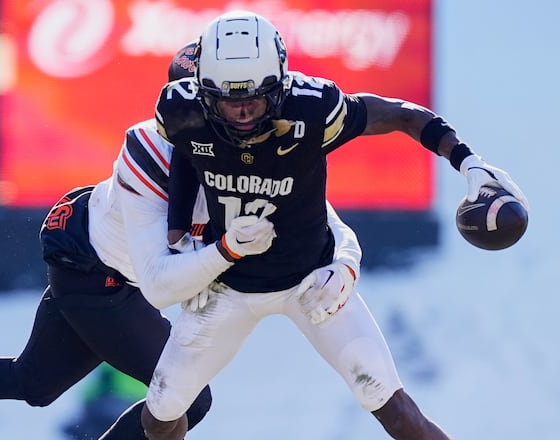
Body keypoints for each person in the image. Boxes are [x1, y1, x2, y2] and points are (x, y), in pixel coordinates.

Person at [144, 10, 529, 440]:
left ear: (282, 82)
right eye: (229, 100)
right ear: (203, 92)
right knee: (159, 414)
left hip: (314, 284)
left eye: (256, 96)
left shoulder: (313, 108)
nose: (243, 112)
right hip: (226, 286)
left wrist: (469, 163)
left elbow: (404, 116)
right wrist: (180, 243)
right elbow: (184, 156)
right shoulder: (181, 110)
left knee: (397, 411)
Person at [0, 41, 359, 439]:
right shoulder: (153, 150)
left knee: (33, 382)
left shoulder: (250, 143)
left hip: (113, 267)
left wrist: (344, 260)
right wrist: (217, 259)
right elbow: (161, 278)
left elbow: (317, 214)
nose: (239, 117)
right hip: (97, 271)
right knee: (184, 397)